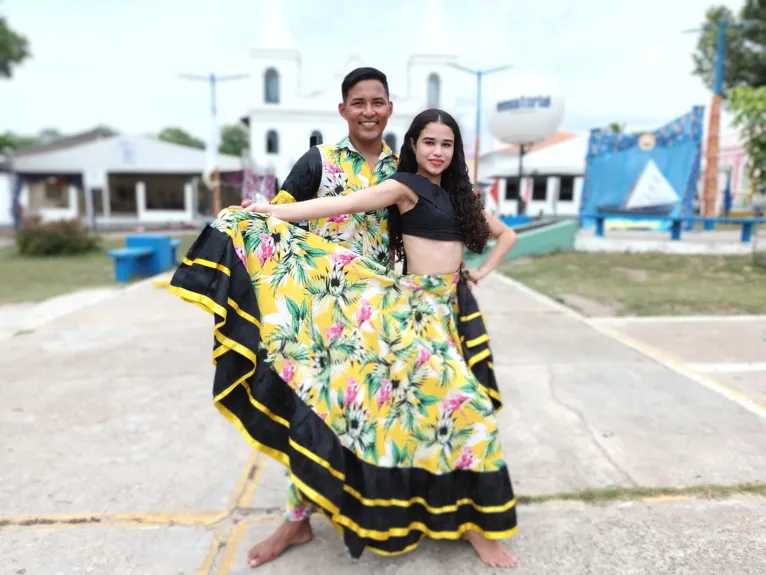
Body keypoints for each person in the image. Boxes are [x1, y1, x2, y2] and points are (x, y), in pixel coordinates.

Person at [170, 107, 521, 567]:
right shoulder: (406, 186)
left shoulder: (462, 195)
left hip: (450, 313)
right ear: (413, 146)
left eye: (447, 144)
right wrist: (272, 210)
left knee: (461, 414)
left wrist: (479, 275)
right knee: (422, 412)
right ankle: (335, 512)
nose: (437, 152)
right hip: (409, 314)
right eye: (429, 142)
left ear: (455, 151)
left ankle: (472, 524)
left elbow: (506, 235)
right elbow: (342, 204)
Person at [236, 67, 400, 567]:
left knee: (371, 417)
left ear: (390, 108)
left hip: (379, 317)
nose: (368, 111)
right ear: (343, 110)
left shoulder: (405, 168)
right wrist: (249, 217)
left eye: (378, 101)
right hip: (316, 318)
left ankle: (373, 507)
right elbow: (274, 219)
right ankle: (297, 520)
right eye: (358, 102)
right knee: (308, 417)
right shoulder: (317, 162)